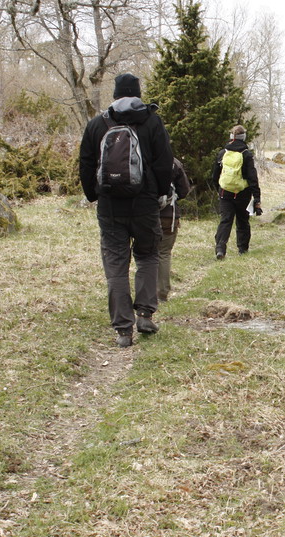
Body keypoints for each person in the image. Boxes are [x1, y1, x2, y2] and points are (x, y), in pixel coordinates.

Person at [79, 72, 174, 348]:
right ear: (138, 94)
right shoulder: (152, 122)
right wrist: (160, 193)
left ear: (115, 94)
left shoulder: (98, 124)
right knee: (147, 256)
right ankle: (145, 314)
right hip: (144, 205)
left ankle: (123, 330)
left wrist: (93, 195)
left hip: (110, 208)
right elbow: (164, 161)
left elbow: (85, 163)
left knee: (116, 269)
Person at [210, 125, 261, 260]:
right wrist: (257, 197)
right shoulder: (246, 154)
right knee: (243, 221)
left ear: (231, 137)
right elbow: (252, 177)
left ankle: (220, 249)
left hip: (225, 193)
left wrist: (219, 190)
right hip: (243, 193)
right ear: (244, 137)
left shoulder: (222, 153)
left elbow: (215, 176)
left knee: (225, 220)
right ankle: (242, 250)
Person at [158, 158, 192, 302]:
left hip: (144, 215)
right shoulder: (174, 163)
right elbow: (184, 190)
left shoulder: (142, 156)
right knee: (164, 253)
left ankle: (144, 294)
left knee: (145, 255)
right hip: (168, 216)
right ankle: (162, 293)